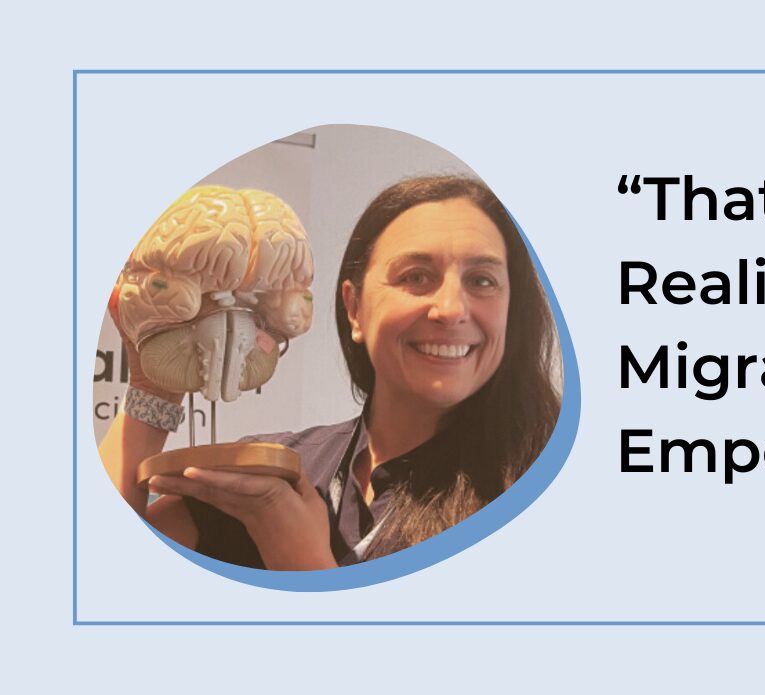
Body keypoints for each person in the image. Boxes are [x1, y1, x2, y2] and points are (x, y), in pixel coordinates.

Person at [99, 175, 561, 569]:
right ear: (353, 307)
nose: (450, 309)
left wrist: (303, 567)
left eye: (482, 280)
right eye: (416, 276)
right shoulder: (270, 471)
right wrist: (151, 387)